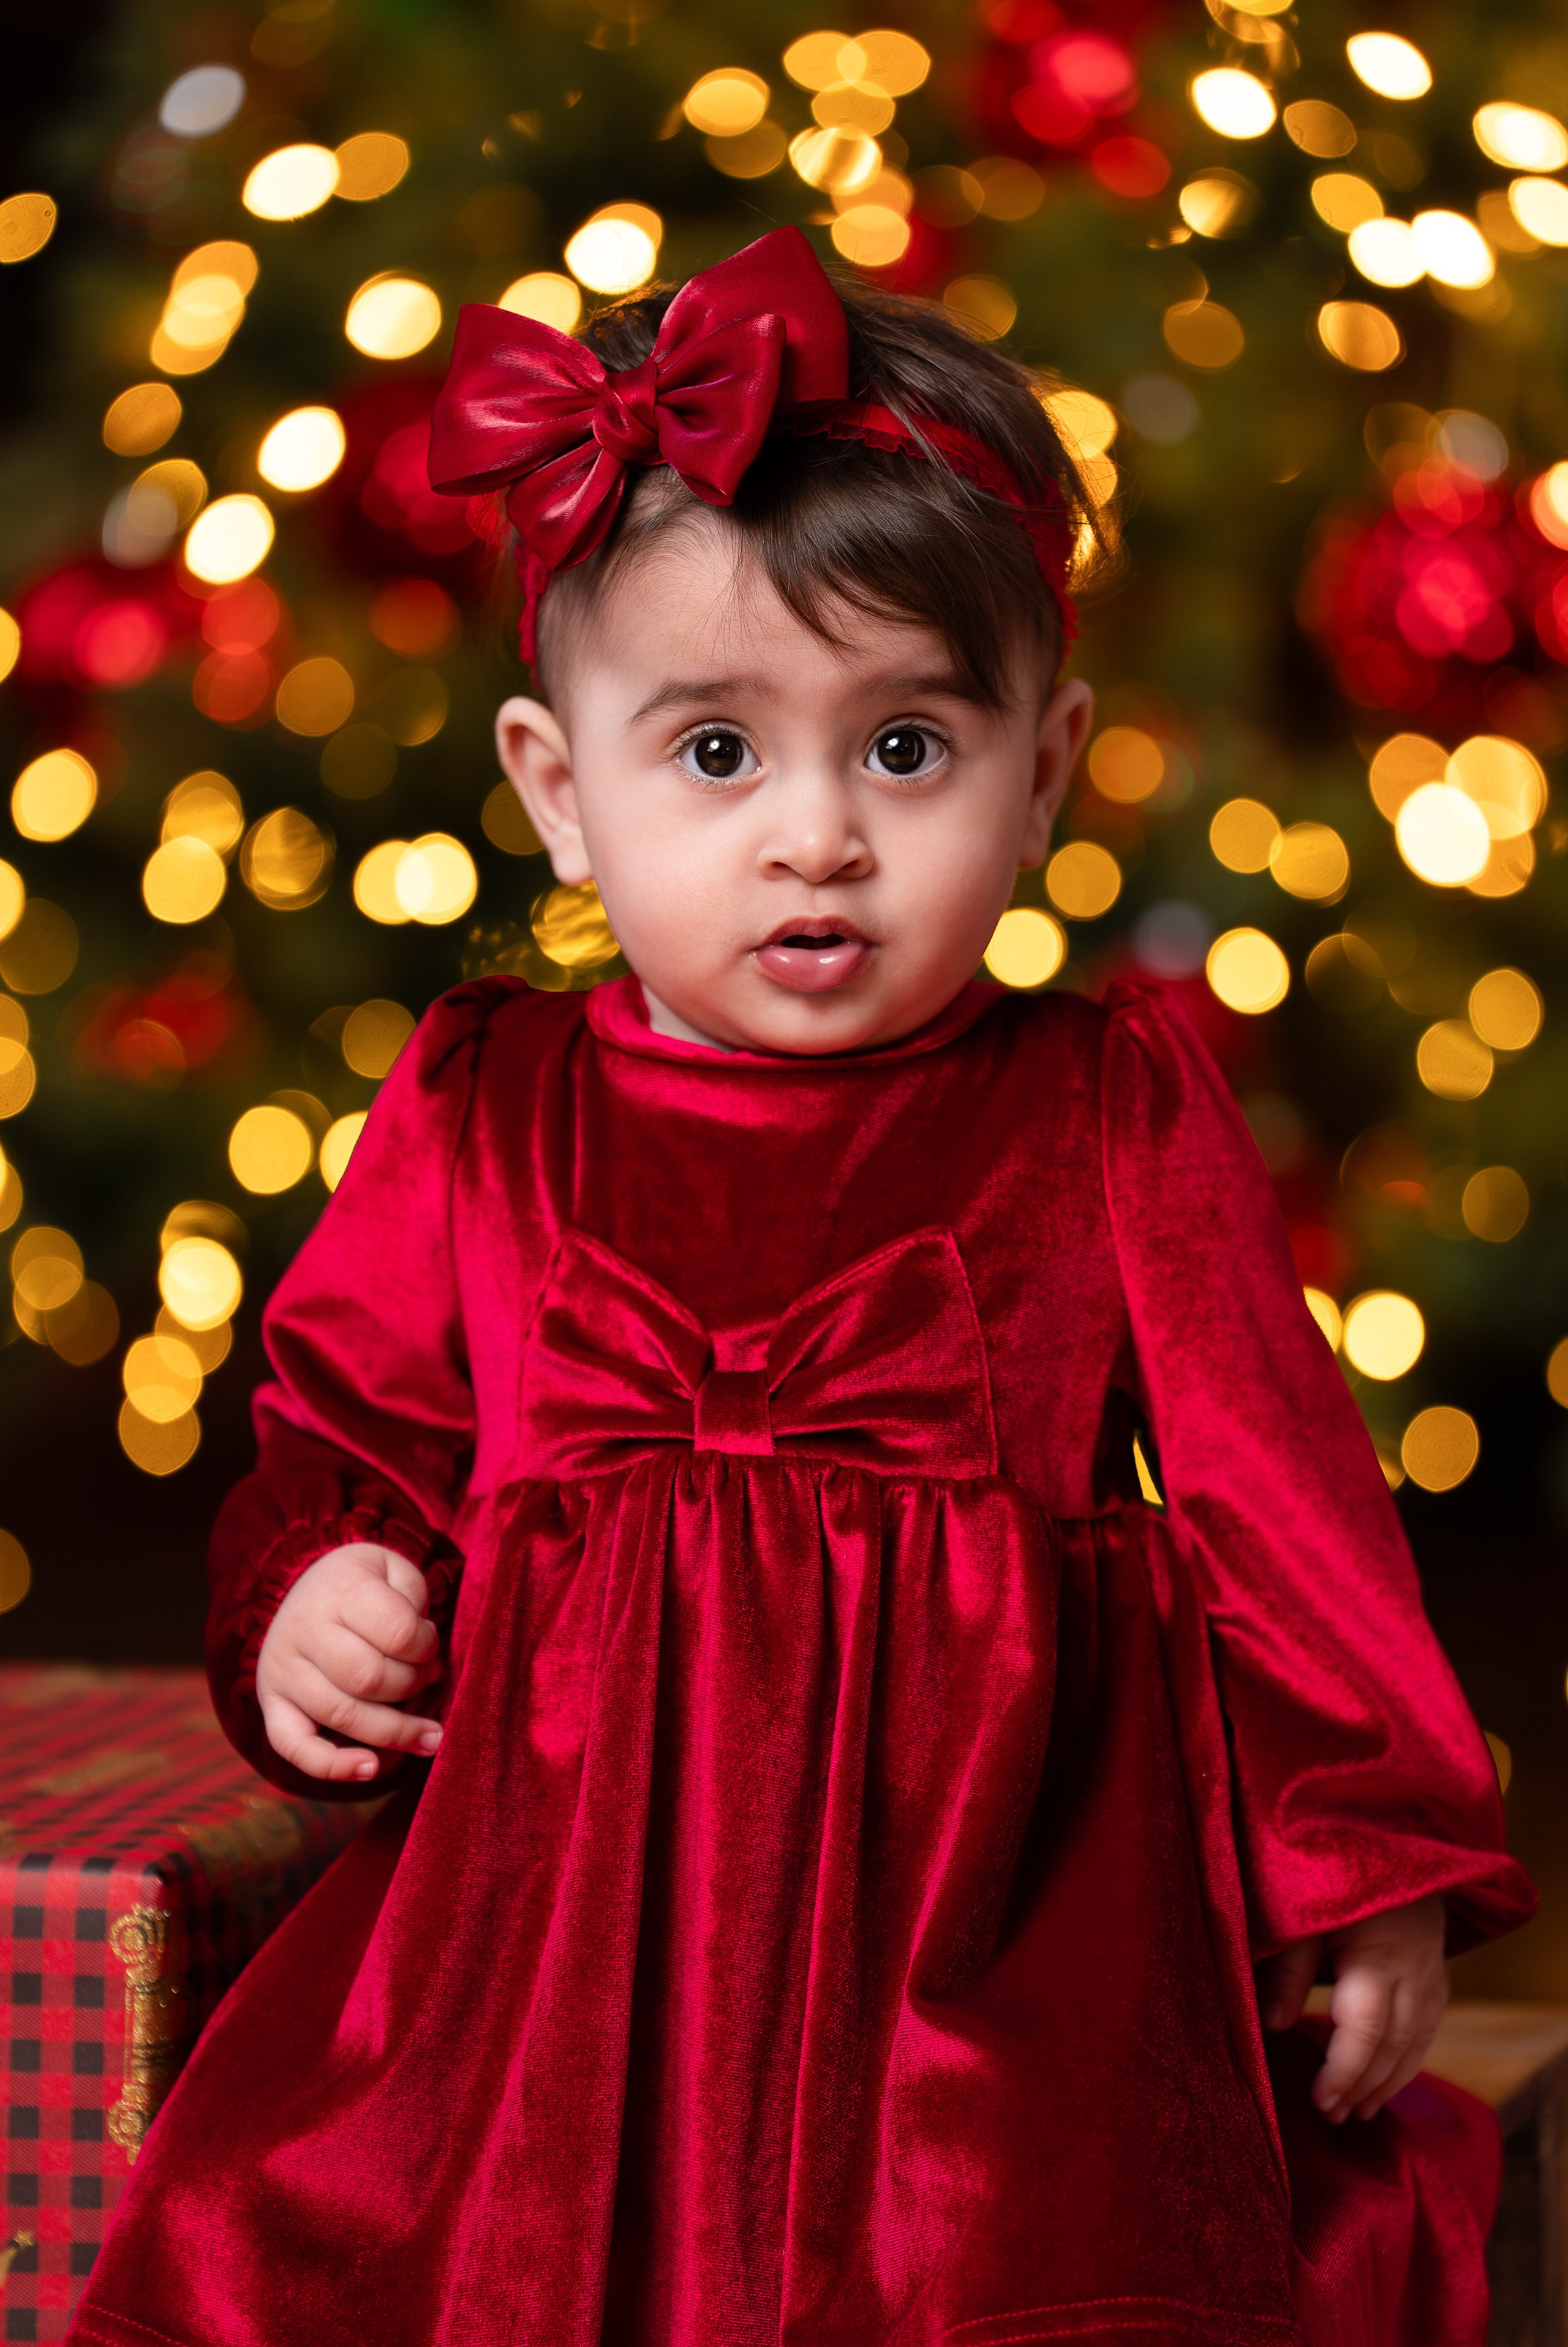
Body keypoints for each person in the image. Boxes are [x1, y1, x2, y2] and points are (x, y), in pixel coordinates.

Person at [69, 228, 1532, 2347]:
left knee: (1058, 2273)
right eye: (718, 756)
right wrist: (319, 1587)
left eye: (910, 751)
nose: (819, 839)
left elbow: (1278, 1505)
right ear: (562, 798)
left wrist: (1371, 1866)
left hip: (992, 1944)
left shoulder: (1099, 1106)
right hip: (559, 1953)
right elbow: (347, 1435)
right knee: (350, 2246)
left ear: (1043, 775)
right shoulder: (488, 1103)